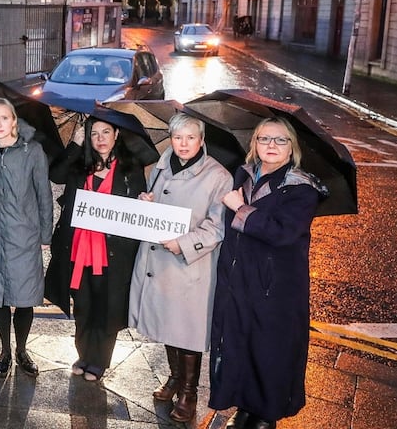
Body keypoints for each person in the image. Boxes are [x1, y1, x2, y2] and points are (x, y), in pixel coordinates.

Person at [209, 118, 328, 429]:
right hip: (239, 278)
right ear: (255, 144)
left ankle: (266, 414)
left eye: (280, 140)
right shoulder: (244, 174)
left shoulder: (302, 189)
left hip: (275, 287)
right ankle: (246, 404)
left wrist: (241, 209)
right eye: (264, 139)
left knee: (269, 350)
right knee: (239, 342)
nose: (271, 146)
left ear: (292, 148)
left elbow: (283, 233)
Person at [129, 112, 232, 423]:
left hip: (190, 266)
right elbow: (158, 206)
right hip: (159, 260)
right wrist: (147, 201)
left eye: (190, 138)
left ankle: (189, 391)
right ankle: (174, 379)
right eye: (177, 137)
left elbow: (217, 229)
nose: (183, 144)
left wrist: (184, 244)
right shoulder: (161, 167)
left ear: (202, 140)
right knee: (166, 324)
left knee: (187, 331)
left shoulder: (219, 176)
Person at [44, 116, 146, 382]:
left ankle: (99, 360)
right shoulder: (79, 166)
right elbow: (55, 174)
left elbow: (138, 209)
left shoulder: (130, 168)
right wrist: (75, 144)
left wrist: (144, 200)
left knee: (107, 306)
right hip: (78, 248)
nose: (100, 138)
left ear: (116, 135)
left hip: (114, 251)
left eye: (105, 132)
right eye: (94, 134)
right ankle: (84, 355)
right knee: (83, 305)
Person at [0, 98, 53, 379]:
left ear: (13, 121)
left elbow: (43, 194)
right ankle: (4, 351)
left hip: (24, 236)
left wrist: (46, 234)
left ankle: (21, 349)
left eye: (3, 118)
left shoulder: (32, 151)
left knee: (24, 296)